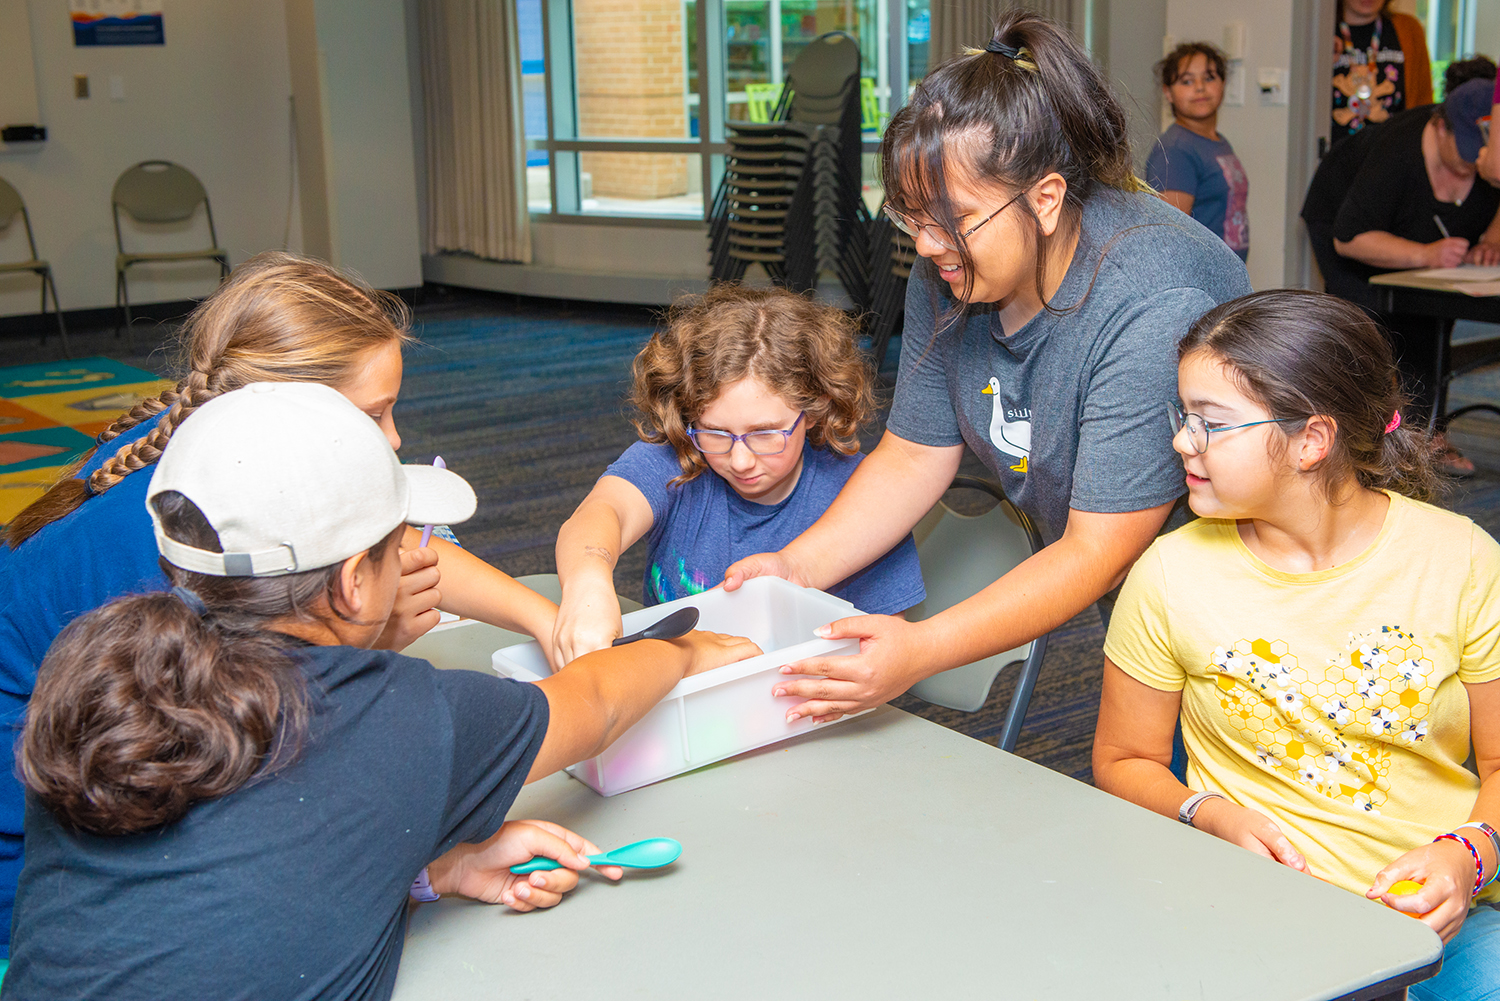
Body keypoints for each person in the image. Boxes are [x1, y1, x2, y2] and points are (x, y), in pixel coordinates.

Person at [1, 382, 758, 1000]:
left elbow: (190, 896)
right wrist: (682, 649)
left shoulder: (92, 668)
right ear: (355, 581)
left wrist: (426, 868)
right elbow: (593, 705)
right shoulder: (387, 711)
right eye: (401, 541)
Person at [0, 252, 560, 954]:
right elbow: (257, 745)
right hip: (52, 871)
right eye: (374, 415)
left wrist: (543, 615)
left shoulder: (210, 463)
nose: (394, 439)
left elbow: (393, 544)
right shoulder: (170, 541)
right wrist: (363, 643)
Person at [719, 11, 1251, 725]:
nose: (930, 244)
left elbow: (1099, 547)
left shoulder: (1151, 301)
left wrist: (921, 648)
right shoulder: (951, 270)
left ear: (1047, 196)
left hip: (1251, 597)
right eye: (912, 218)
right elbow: (913, 454)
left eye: (953, 218)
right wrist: (798, 566)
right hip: (1138, 584)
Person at [1093, 290, 1499, 1001]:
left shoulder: (1461, 561)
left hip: (1442, 917)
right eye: (1182, 416)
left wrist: (1469, 854)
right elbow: (1124, 760)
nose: (1183, 440)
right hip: (1254, 914)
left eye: (1211, 423)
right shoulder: (1168, 573)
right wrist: (1207, 812)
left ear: (1312, 440)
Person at [551, 284, 925, 664]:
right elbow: (601, 513)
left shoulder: (869, 498)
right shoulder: (674, 463)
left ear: (815, 409)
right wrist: (589, 581)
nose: (741, 460)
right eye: (715, 432)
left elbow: (881, 648)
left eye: (765, 434)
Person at [1302, 77, 1500, 475]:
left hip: (1419, 240)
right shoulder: (1396, 153)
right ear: (1440, 126)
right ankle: (1358, 447)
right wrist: (1424, 253)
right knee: (1365, 330)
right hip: (1350, 232)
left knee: (1427, 327)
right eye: (1463, 158)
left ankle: (1426, 440)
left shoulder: (1490, 156)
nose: (1470, 168)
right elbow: (1350, 238)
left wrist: (1491, 239)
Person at [1146, 41, 1250, 261]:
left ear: (1223, 84)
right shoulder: (1176, 150)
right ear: (1168, 93)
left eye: (1209, 78)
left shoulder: (1217, 141)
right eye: (1187, 81)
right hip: (1200, 282)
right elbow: (1169, 236)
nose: (1200, 87)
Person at [1331, 0, 1432, 146]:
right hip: (1335, 157)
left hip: (1392, 158)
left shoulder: (1409, 30)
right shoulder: (1322, 30)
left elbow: (1423, 105)